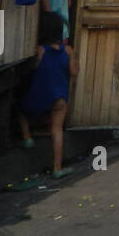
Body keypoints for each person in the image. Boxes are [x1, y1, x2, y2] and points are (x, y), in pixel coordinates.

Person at [17, 12, 78, 178]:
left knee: (20, 109)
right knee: (57, 130)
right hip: (59, 99)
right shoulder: (68, 51)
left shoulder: (40, 50)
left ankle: (27, 137)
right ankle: (57, 168)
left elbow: (31, 69)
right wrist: (73, 59)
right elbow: (74, 72)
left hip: (40, 98)